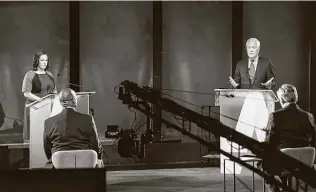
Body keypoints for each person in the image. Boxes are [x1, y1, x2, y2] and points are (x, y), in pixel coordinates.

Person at [263, 84, 316, 191]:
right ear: (296, 98)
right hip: (305, 162)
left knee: (264, 165)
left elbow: (269, 143)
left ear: (282, 99)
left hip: (284, 162)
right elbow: (314, 140)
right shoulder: (309, 116)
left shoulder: (275, 116)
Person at [43, 88, 104, 168]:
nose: (75, 101)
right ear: (74, 101)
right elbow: (95, 144)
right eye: (74, 99)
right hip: (84, 162)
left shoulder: (49, 122)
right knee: (98, 161)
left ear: (61, 103)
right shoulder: (88, 119)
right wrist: (99, 157)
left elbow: (47, 148)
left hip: (60, 163)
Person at [22, 50, 57, 141]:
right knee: (35, 137)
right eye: (42, 60)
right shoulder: (30, 75)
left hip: (48, 107)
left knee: (47, 135)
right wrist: (41, 101)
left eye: (46, 60)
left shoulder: (50, 74)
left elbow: (54, 91)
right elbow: (27, 93)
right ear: (37, 61)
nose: (45, 62)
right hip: (34, 107)